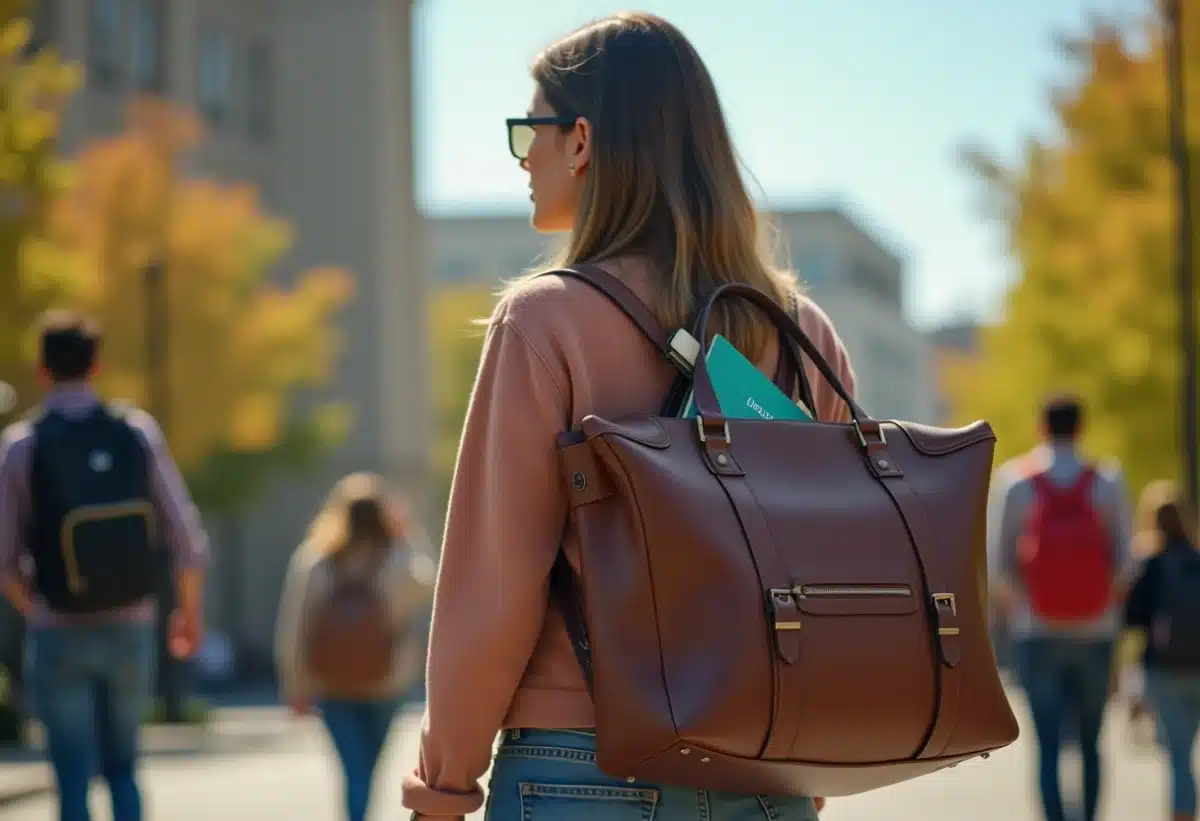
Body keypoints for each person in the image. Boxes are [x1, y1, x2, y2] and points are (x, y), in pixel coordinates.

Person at [401, 12, 857, 821]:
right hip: (766, 762)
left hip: (584, 760)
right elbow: (832, 565)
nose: (523, 157)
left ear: (580, 141)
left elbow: (494, 584)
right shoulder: (802, 334)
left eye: (527, 132)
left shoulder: (545, 322)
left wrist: (446, 779)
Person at [0, 310, 209, 821]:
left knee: (71, 774)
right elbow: (187, 538)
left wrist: (42, 609)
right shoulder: (137, 433)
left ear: (42, 371)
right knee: (123, 767)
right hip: (132, 624)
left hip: (58, 628)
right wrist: (188, 614)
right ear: (97, 368)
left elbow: (3, 561)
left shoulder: (22, 447)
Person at [988, 394, 1133, 821]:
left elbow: (998, 566)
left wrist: (1025, 606)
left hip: (1037, 631)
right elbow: (1125, 563)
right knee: (1091, 743)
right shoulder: (1107, 481)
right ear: (1081, 426)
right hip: (1096, 632)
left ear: (1042, 427)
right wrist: (1100, 605)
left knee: (1048, 745)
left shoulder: (1016, 481)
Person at [276, 472, 434, 821]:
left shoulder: (315, 560)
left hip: (330, 684)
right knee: (369, 769)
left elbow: (294, 628)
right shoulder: (396, 561)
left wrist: (295, 685)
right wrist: (408, 534)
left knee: (353, 769)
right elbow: (429, 583)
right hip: (386, 683)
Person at [1123, 481, 1200, 821]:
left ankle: (1182, 814)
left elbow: (1133, 618)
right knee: (1187, 749)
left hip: (1164, 667)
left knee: (1179, 754)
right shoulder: (1197, 561)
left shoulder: (1151, 563)